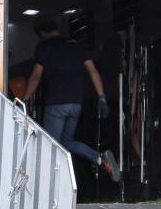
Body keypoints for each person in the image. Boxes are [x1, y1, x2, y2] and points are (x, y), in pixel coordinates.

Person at [23, 17, 119, 181]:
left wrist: (24, 100)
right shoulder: (77, 45)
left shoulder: (44, 47)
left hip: (56, 104)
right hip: (76, 104)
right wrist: (101, 97)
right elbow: (93, 71)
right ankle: (99, 158)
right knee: (66, 143)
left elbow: (36, 76)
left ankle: (51, 185)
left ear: (42, 33)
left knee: (50, 145)